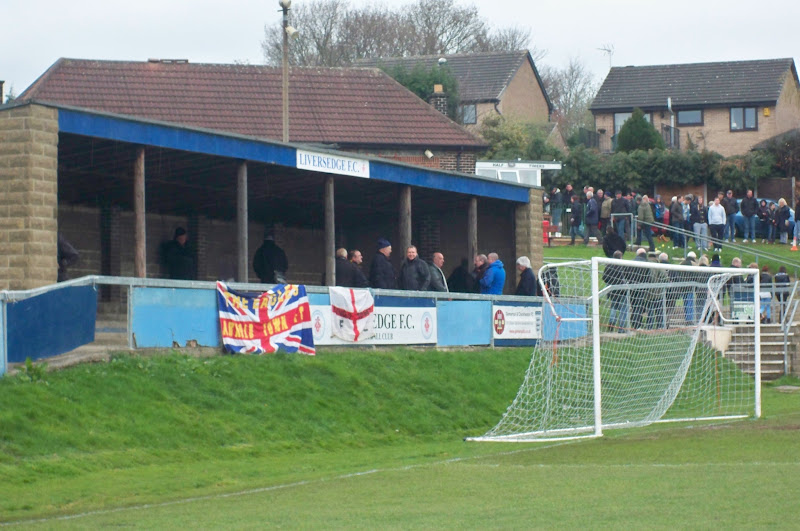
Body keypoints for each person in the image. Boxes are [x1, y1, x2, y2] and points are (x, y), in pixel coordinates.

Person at [602, 250, 628, 332]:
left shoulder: (609, 266)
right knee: (623, 309)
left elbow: (604, 278)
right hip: (622, 291)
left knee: (613, 307)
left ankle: (612, 322)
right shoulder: (623, 266)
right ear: (621, 257)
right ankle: (621, 328)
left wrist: (610, 282)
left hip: (612, 290)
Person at [629, 248, 651, 329]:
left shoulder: (631, 262)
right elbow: (649, 277)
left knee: (634, 305)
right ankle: (637, 324)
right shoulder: (646, 263)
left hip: (631, 287)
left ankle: (634, 321)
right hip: (642, 287)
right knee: (639, 305)